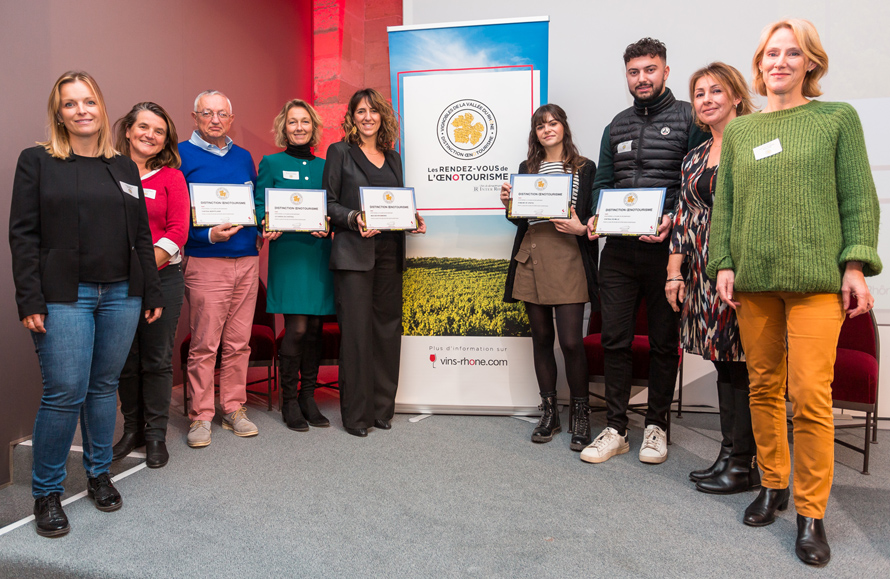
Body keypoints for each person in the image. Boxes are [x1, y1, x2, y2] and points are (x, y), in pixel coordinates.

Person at [708, 19, 881, 566]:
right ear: (759, 65)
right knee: (762, 388)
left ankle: (810, 512)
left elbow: (858, 197)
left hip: (815, 285)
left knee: (810, 397)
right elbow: (726, 207)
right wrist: (724, 263)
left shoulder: (837, 118)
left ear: (811, 62)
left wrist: (855, 266)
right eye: (770, 54)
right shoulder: (741, 131)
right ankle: (773, 484)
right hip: (755, 283)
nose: (778, 62)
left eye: (792, 53)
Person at [9, 71, 163, 537]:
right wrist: (29, 297)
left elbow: (140, 234)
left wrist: (151, 288)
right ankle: (48, 492)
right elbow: (23, 236)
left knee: (103, 388)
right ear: (59, 112)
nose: (81, 110)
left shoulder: (122, 167)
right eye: (70, 103)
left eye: (89, 102)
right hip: (64, 296)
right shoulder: (36, 161)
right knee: (64, 393)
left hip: (121, 293)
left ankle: (99, 474)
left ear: (101, 107)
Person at [581, 38, 708, 465]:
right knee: (615, 339)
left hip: (666, 251)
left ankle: (656, 426)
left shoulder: (690, 118)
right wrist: (598, 214)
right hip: (617, 252)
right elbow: (602, 184)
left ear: (666, 72)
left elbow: (695, 180)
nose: (642, 78)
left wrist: (672, 216)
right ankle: (615, 428)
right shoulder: (615, 125)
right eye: (634, 72)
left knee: (662, 341)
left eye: (650, 70)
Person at [665, 63, 759, 494]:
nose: (706, 99)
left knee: (746, 363)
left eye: (716, 90)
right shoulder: (695, 156)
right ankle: (731, 454)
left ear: (736, 96)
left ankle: (745, 461)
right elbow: (684, 216)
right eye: (699, 93)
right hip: (703, 271)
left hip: (744, 267)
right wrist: (674, 271)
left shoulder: (758, 143)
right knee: (724, 361)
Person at [323, 88, 425, 437]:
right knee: (355, 336)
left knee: (386, 332)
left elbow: (395, 203)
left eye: (373, 111)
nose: (367, 117)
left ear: (383, 116)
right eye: (360, 111)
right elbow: (329, 204)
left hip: (389, 254)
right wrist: (354, 218)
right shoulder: (339, 152)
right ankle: (356, 415)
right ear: (351, 117)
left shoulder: (394, 158)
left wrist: (413, 218)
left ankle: (382, 409)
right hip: (353, 256)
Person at [500, 104, 598, 451]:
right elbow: (521, 219)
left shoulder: (585, 168)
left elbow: (594, 217)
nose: (547, 129)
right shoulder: (527, 169)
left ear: (563, 127)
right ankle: (549, 411)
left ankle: (581, 413)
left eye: (553, 123)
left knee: (571, 341)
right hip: (533, 254)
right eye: (540, 126)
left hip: (569, 253)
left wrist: (582, 227)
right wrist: (509, 204)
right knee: (541, 337)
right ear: (535, 133)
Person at [180, 90, 265, 447]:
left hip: (246, 260)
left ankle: (233, 408)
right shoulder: (180, 155)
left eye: (222, 114)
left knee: (238, 343)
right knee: (204, 344)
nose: (215, 120)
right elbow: (176, 213)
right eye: (207, 113)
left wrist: (264, 226)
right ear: (195, 116)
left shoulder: (244, 157)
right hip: (206, 261)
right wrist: (208, 233)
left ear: (231, 119)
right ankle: (200, 416)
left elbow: (255, 203)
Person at [110, 103, 189, 468]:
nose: (150, 135)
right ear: (127, 130)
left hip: (163, 279)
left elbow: (178, 231)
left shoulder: (172, 177)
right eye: (143, 127)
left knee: (156, 359)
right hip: (115, 283)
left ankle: (156, 434)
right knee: (127, 360)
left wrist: (142, 268)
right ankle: (133, 430)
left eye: (159, 131)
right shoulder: (108, 172)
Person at [255, 99, 334, 431]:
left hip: (317, 252)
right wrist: (265, 221)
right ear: (282, 128)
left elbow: (334, 205)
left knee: (314, 330)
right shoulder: (271, 163)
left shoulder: (326, 165)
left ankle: (308, 397)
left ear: (313, 126)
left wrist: (328, 222)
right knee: (298, 328)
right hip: (288, 254)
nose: (299, 127)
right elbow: (260, 203)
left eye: (304, 121)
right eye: (292, 122)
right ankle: (289, 400)